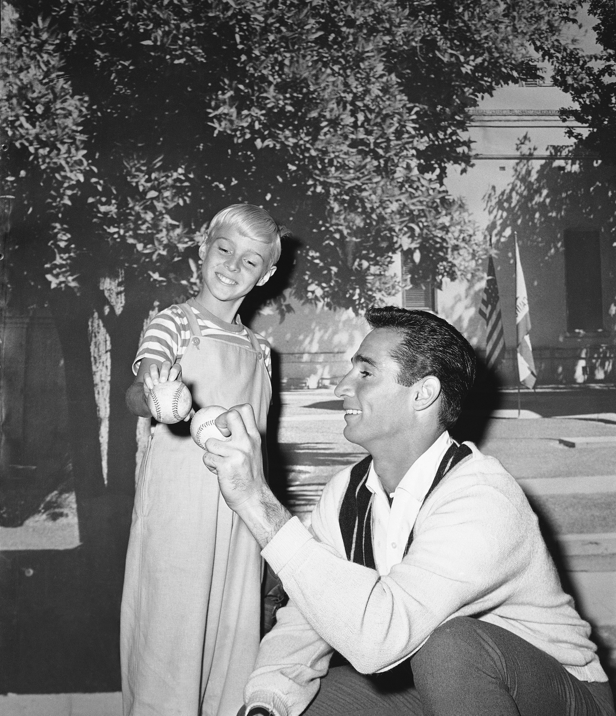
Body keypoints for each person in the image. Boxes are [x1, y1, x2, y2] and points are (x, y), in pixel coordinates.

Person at [203, 306, 616, 716]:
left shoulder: (482, 497)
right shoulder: (344, 492)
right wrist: (266, 703)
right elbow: (306, 620)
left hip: (556, 696)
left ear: (423, 393)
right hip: (435, 686)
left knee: (451, 647)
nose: (342, 386)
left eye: (365, 373)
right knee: (302, 704)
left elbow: (378, 639)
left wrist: (255, 501)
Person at [121, 204, 284, 716]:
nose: (233, 266)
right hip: (181, 509)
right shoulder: (173, 323)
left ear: (266, 275)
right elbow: (137, 391)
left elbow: (262, 443)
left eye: (250, 261)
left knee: (235, 638)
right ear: (203, 248)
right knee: (170, 631)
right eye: (224, 249)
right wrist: (156, 396)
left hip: (242, 512)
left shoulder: (261, 350)